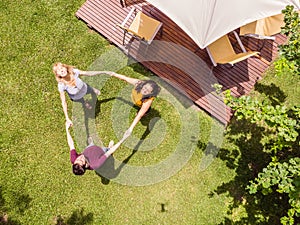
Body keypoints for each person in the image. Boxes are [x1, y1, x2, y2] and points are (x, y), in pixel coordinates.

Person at [101, 71, 160, 138]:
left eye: (148, 91)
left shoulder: (148, 101)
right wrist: (114, 74)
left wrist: (130, 128)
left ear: (150, 93)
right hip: (136, 100)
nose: (145, 90)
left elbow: (139, 115)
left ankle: (145, 113)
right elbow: (125, 78)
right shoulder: (138, 83)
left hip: (140, 104)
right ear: (143, 84)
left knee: (143, 112)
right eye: (145, 87)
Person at [53, 62, 103, 126]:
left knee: (92, 90)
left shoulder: (74, 72)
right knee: (82, 101)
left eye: (62, 68)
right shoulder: (61, 85)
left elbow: (87, 73)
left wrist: (102, 72)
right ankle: (84, 102)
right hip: (76, 96)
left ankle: (92, 90)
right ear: (58, 75)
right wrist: (67, 118)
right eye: (59, 71)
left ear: (65, 67)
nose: (62, 70)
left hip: (84, 88)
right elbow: (63, 101)